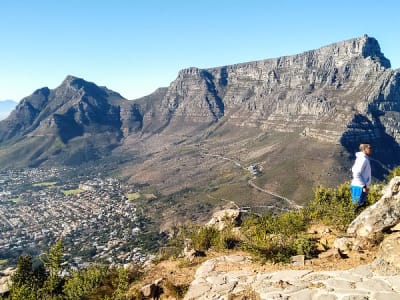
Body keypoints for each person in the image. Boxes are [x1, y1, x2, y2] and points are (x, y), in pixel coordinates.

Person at [350, 142, 372, 211]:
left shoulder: (363, 158)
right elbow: (356, 172)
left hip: (360, 186)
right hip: (359, 187)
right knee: (357, 207)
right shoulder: (363, 159)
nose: (371, 149)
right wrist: (363, 186)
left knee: (360, 206)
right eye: (369, 148)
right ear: (364, 149)